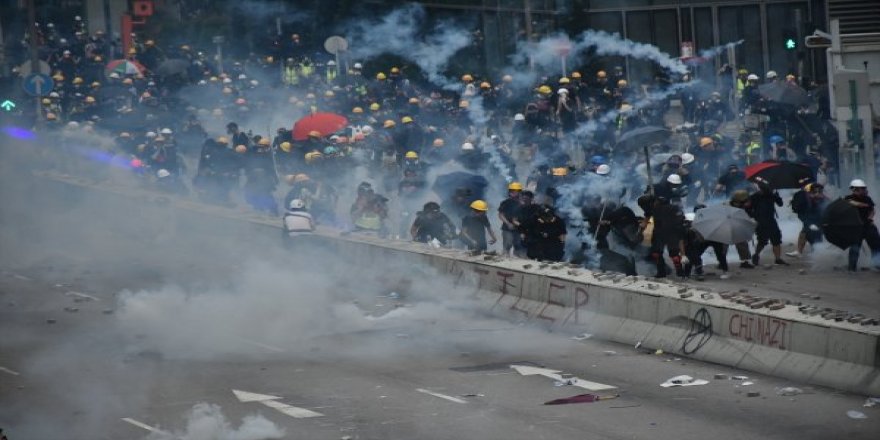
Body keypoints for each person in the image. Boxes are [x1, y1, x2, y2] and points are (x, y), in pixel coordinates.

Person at [682, 207, 730, 280]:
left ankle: (725, 271)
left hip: (714, 238)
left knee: (719, 255)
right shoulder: (696, 219)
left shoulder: (711, 218)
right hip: (704, 239)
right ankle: (696, 270)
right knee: (696, 253)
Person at [748, 178, 788, 266]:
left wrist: (777, 195)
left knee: (776, 239)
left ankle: (778, 259)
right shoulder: (754, 197)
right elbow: (748, 209)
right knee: (762, 240)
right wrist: (753, 216)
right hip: (760, 222)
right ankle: (756, 255)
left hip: (771, 220)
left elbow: (780, 204)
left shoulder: (771, 195)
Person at [844, 179, 880, 271]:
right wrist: (863, 205)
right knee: (855, 248)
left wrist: (870, 218)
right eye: (862, 188)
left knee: (876, 245)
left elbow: (872, 210)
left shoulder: (867, 198)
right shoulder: (848, 198)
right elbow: (851, 203)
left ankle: (877, 264)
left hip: (867, 225)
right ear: (854, 189)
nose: (864, 190)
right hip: (855, 227)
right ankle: (852, 269)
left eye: (864, 188)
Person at [648, 196, 686, 278]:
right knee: (674, 254)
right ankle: (680, 272)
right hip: (673, 233)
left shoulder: (655, 209)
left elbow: (649, 217)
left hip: (659, 234)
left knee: (657, 253)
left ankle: (661, 272)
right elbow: (682, 218)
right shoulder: (675, 208)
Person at [787, 183, 826, 258]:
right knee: (804, 233)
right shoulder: (806, 198)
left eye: (819, 191)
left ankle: (816, 252)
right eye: (815, 191)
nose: (817, 193)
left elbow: (826, 209)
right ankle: (801, 251)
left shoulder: (823, 198)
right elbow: (801, 209)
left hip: (818, 220)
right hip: (809, 219)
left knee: (815, 236)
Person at [729, 190, 755, 268]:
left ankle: (744, 261)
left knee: (742, 244)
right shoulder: (733, 206)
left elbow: (750, 215)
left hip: (736, 226)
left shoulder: (743, 206)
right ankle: (722, 262)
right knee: (724, 245)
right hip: (731, 226)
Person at [498, 182, 523, 256]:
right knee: (507, 245)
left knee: (518, 246)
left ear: (519, 192)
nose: (513, 192)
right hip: (507, 228)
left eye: (515, 191)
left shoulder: (522, 203)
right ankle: (505, 259)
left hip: (519, 229)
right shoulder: (505, 202)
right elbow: (500, 215)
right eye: (511, 190)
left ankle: (517, 260)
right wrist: (508, 223)